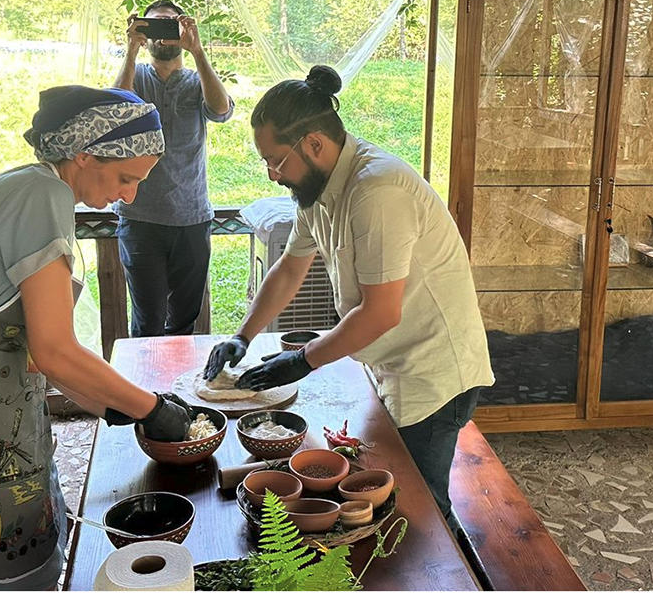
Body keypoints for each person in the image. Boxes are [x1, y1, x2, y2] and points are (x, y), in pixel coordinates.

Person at [0, 86, 193, 590]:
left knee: (26, 537)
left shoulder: (33, 188)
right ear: (84, 155)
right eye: (126, 179)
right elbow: (55, 351)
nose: (129, 196)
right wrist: (151, 408)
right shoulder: (41, 196)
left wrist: (115, 406)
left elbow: (39, 355)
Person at [204, 65, 494, 531]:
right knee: (386, 493)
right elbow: (290, 268)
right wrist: (243, 336)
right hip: (390, 362)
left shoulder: (377, 190)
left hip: (433, 372)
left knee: (420, 509)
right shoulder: (315, 189)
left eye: (276, 161)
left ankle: (451, 563)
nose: (272, 175)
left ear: (314, 144)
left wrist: (302, 361)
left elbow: (380, 312)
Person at [112, 0, 234, 337]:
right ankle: (144, 375)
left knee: (184, 322)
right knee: (147, 322)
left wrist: (198, 51)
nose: (163, 34)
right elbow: (116, 111)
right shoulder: (136, 77)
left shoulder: (197, 81)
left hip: (192, 217)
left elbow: (220, 110)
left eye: (170, 24)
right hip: (139, 218)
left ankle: (180, 374)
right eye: (154, 26)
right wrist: (131, 51)